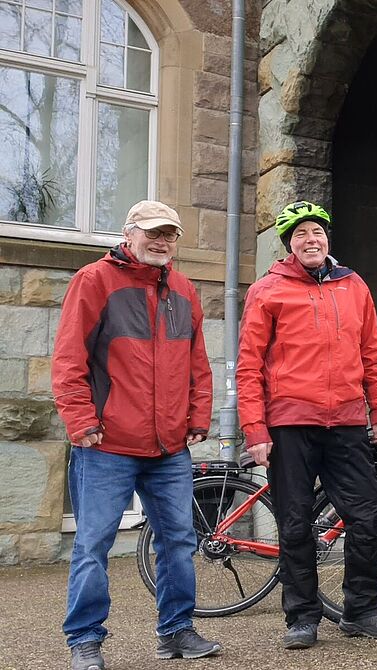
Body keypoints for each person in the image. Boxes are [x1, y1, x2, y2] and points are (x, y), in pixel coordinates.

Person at [53, 200, 222, 670]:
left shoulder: (184, 289)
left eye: (169, 234)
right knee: (92, 545)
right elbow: (69, 359)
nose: (161, 241)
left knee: (178, 542)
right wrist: (81, 422)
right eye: (152, 232)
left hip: (169, 447)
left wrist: (198, 417)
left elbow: (197, 364)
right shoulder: (94, 280)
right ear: (129, 234)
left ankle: (176, 631)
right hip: (106, 444)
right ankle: (85, 639)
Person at [236, 201, 377, 649]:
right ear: (289, 243)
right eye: (301, 234)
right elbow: (248, 364)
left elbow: (371, 352)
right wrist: (255, 428)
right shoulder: (268, 290)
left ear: (328, 239)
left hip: (346, 420)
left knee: (367, 516)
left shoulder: (354, 285)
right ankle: (302, 618)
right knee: (294, 523)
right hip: (290, 423)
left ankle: (362, 610)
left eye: (318, 232)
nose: (312, 239)